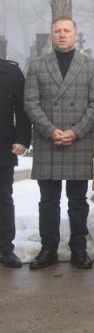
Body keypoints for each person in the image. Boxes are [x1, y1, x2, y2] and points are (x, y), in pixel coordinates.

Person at [23, 17, 94, 269]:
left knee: (78, 199)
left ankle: (79, 249)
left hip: (77, 140)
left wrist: (76, 131)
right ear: (51, 35)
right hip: (48, 140)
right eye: (57, 31)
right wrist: (50, 130)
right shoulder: (37, 65)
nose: (62, 35)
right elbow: (30, 102)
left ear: (75, 35)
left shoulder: (91, 66)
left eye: (66, 30)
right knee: (48, 200)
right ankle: (49, 249)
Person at [0, 56, 30, 268]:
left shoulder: (10, 72)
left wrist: (21, 139)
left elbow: (22, 110)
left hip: (2, 146)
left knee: (3, 200)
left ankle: (5, 249)